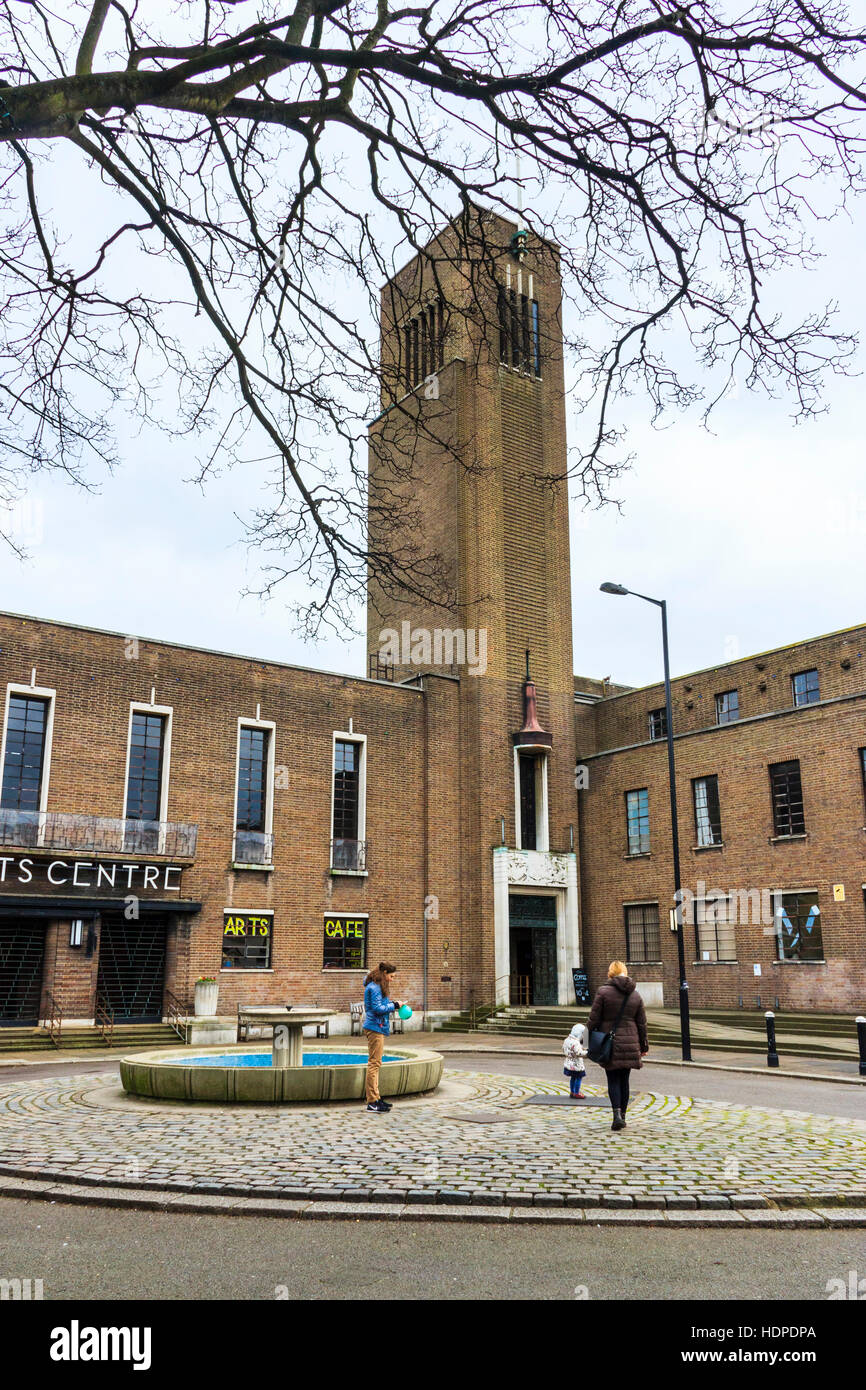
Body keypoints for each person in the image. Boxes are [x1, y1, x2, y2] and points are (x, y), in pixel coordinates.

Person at [587, 960, 648, 1132]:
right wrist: (644, 1046)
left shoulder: (603, 992)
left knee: (613, 1079)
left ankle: (616, 1116)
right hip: (630, 1042)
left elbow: (593, 1019)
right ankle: (624, 1116)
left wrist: (584, 1039)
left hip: (610, 1042)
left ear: (610, 973)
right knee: (624, 1080)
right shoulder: (635, 995)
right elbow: (642, 1024)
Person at [362, 961, 404, 1113]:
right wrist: (395, 1005)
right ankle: (372, 1102)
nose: (392, 979)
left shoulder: (376, 985)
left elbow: (379, 1005)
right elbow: (378, 1008)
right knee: (374, 1064)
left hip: (377, 1026)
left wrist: (392, 1004)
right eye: (392, 976)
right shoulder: (375, 987)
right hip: (375, 1027)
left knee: (376, 1063)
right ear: (384, 973)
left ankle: (377, 1098)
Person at [562, 1022, 588, 1099]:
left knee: (572, 1078)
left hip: (569, 1062)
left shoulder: (566, 1040)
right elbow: (579, 1053)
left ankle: (572, 1091)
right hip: (577, 1064)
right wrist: (587, 1053)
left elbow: (563, 1049)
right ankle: (577, 1092)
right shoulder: (576, 1042)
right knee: (578, 1078)